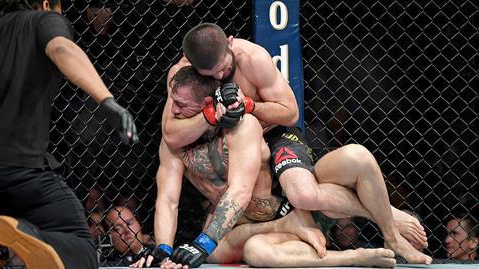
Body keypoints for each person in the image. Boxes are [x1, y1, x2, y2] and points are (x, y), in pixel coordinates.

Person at [161, 23, 431, 264]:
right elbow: (171, 134)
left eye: (224, 67)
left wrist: (250, 106)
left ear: (230, 42)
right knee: (233, 248)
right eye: (213, 73)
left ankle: (387, 218)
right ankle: (373, 221)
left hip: (275, 133)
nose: (221, 75)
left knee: (304, 193)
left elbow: (290, 112)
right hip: (243, 151)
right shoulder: (184, 79)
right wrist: (210, 116)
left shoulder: (253, 58)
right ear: (194, 67)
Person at [0, 0, 139, 268]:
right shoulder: (42, 20)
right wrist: (107, 101)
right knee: (79, 248)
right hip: (22, 169)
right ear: (46, 3)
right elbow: (61, 47)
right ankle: (37, 236)